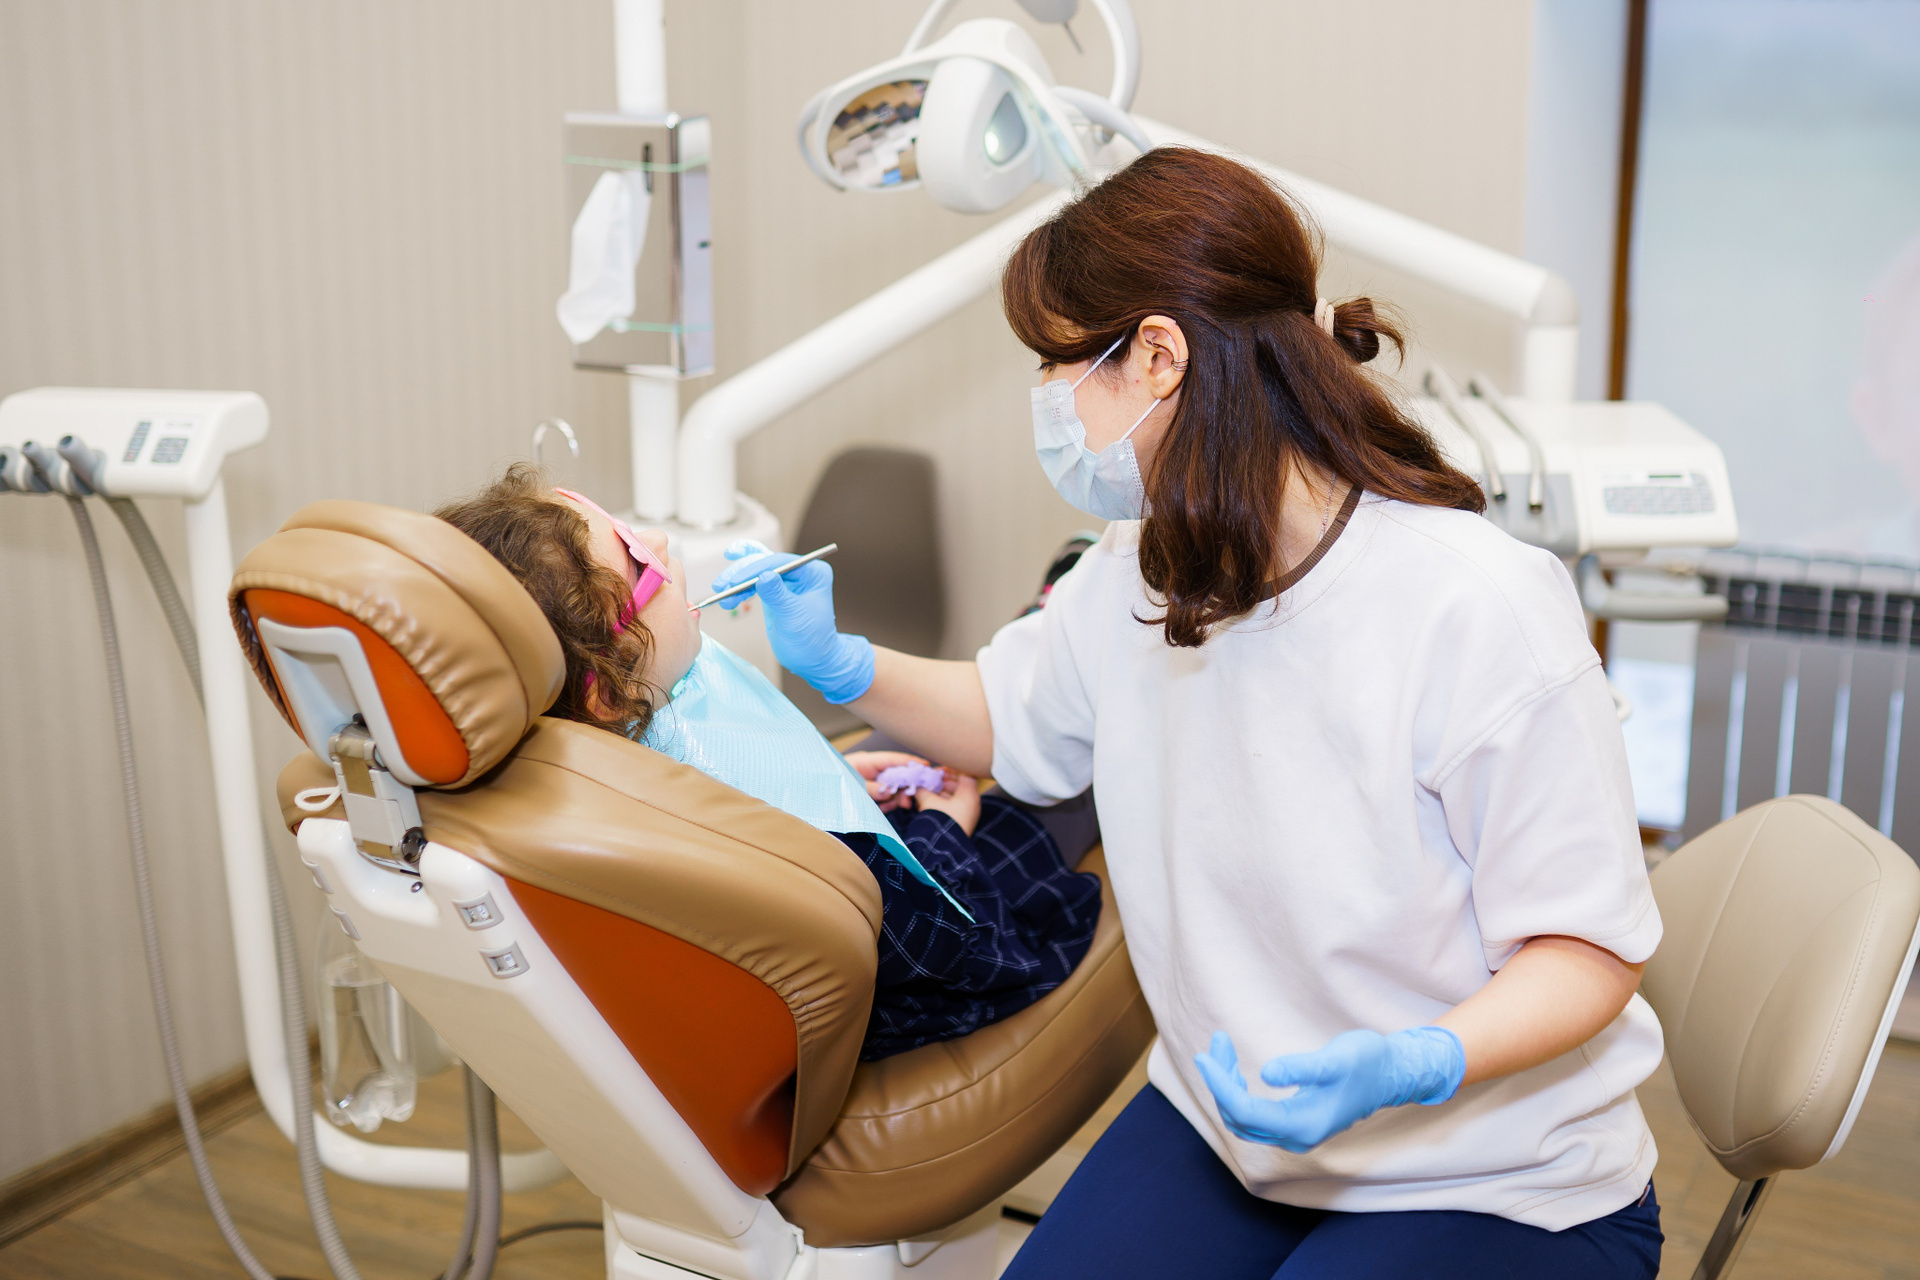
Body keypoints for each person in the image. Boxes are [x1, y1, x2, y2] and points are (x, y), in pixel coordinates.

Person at [707, 148, 1665, 1278]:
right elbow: (1013, 718)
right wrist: (843, 665)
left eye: (1056, 363)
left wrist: (1418, 1059)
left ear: (1158, 355)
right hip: (1235, 1127)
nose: (1047, 401)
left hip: (1497, 1176)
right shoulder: (1142, 563)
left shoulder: (1475, 605)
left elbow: (1586, 947)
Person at [434, 464, 1101, 1060]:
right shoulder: (713, 827)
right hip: (918, 965)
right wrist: (945, 829)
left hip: (843, 907)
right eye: (638, 559)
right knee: (1073, 758)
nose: (659, 540)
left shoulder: (589, 757)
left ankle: (1054, 633)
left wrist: (836, 777)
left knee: (925, 735)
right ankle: (1068, 637)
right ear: (606, 691)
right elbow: (937, 942)